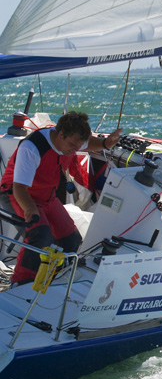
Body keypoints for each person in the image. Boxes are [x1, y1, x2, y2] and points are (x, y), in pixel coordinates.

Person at [0, 111, 122, 284]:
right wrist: (30, 209)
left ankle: (52, 279)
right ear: (60, 134)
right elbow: (19, 187)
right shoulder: (33, 147)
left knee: (72, 240)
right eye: (72, 145)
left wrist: (105, 143)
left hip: (47, 197)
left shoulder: (71, 140)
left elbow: (87, 143)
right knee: (41, 237)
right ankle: (21, 283)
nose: (75, 150)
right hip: (18, 195)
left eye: (77, 146)